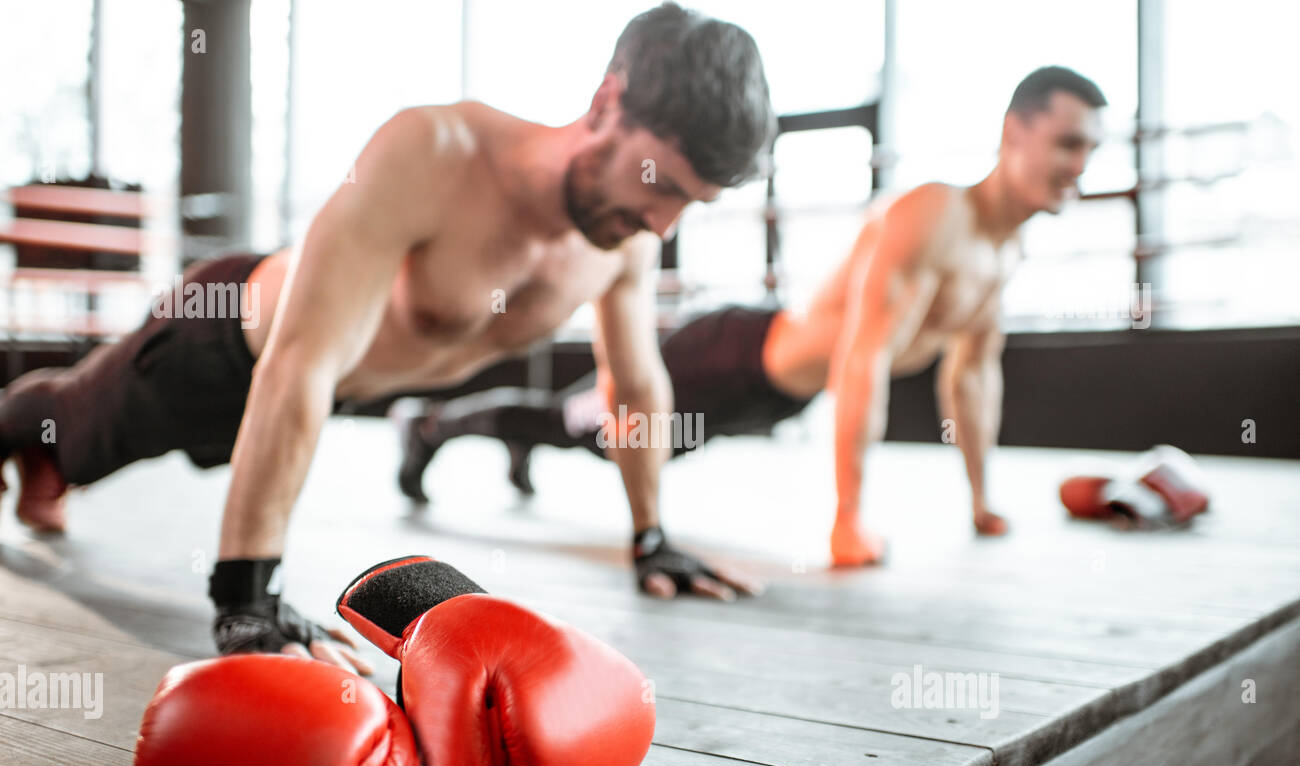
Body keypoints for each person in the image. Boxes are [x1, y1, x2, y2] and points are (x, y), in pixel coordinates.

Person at [0, 3, 776, 669]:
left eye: (690, 206)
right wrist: (247, 594)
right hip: (222, 345)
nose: (663, 222)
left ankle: (48, 469)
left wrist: (652, 536)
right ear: (609, 101)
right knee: (68, 425)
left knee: (69, 458)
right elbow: (301, 358)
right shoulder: (437, 152)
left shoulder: (623, 241)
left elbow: (635, 384)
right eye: (664, 184)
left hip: (311, 399)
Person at [397, 66, 1107, 567]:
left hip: (765, 396)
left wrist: (981, 502)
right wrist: (848, 519)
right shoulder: (934, 216)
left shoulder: (1003, 252)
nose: (1081, 164)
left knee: (584, 427)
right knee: (588, 426)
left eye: (1091, 148)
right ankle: (429, 425)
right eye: (1069, 143)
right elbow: (861, 359)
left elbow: (971, 381)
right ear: (1016, 132)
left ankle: (514, 437)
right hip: (730, 356)